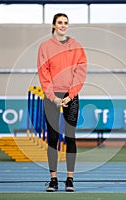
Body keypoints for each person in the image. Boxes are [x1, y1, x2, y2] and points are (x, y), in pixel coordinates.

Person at [37, 13, 87, 192]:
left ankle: (70, 179)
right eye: (60, 22)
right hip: (52, 97)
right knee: (52, 138)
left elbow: (80, 73)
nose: (63, 25)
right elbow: (44, 73)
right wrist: (53, 97)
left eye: (66, 23)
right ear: (53, 25)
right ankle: (53, 180)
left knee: (70, 137)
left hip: (70, 97)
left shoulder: (77, 47)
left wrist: (71, 94)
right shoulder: (45, 47)